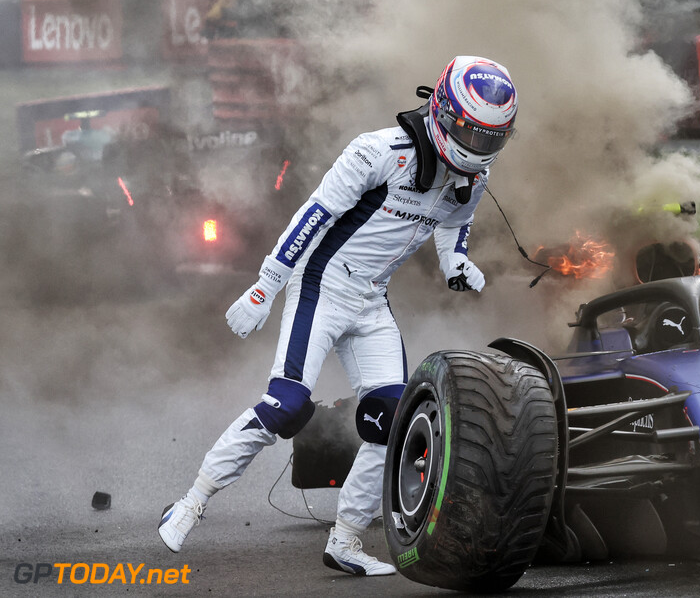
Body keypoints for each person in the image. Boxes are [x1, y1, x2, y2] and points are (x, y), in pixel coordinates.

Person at [157, 55, 519, 576]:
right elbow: (312, 215)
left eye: (493, 138)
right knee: (284, 406)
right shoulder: (377, 152)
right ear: (441, 110)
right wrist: (264, 286)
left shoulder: (475, 173)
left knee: (390, 422)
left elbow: (455, 220)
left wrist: (455, 260)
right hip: (320, 286)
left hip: (373, 300)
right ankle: (189, 504)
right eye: (472, 133)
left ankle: (345, 540)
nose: (479, 148)